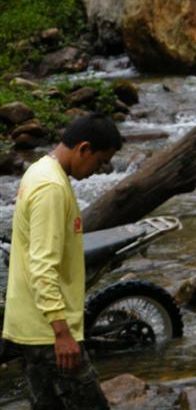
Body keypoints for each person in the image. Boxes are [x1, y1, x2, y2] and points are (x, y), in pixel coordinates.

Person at [2, 113, 122, 410]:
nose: (99, 170)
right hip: (48, 330)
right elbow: (42, 265)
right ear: (84, 148)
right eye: (100, 161)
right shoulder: (51, 189)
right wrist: (62, 332)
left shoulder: (39, 170)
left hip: (31, 325)